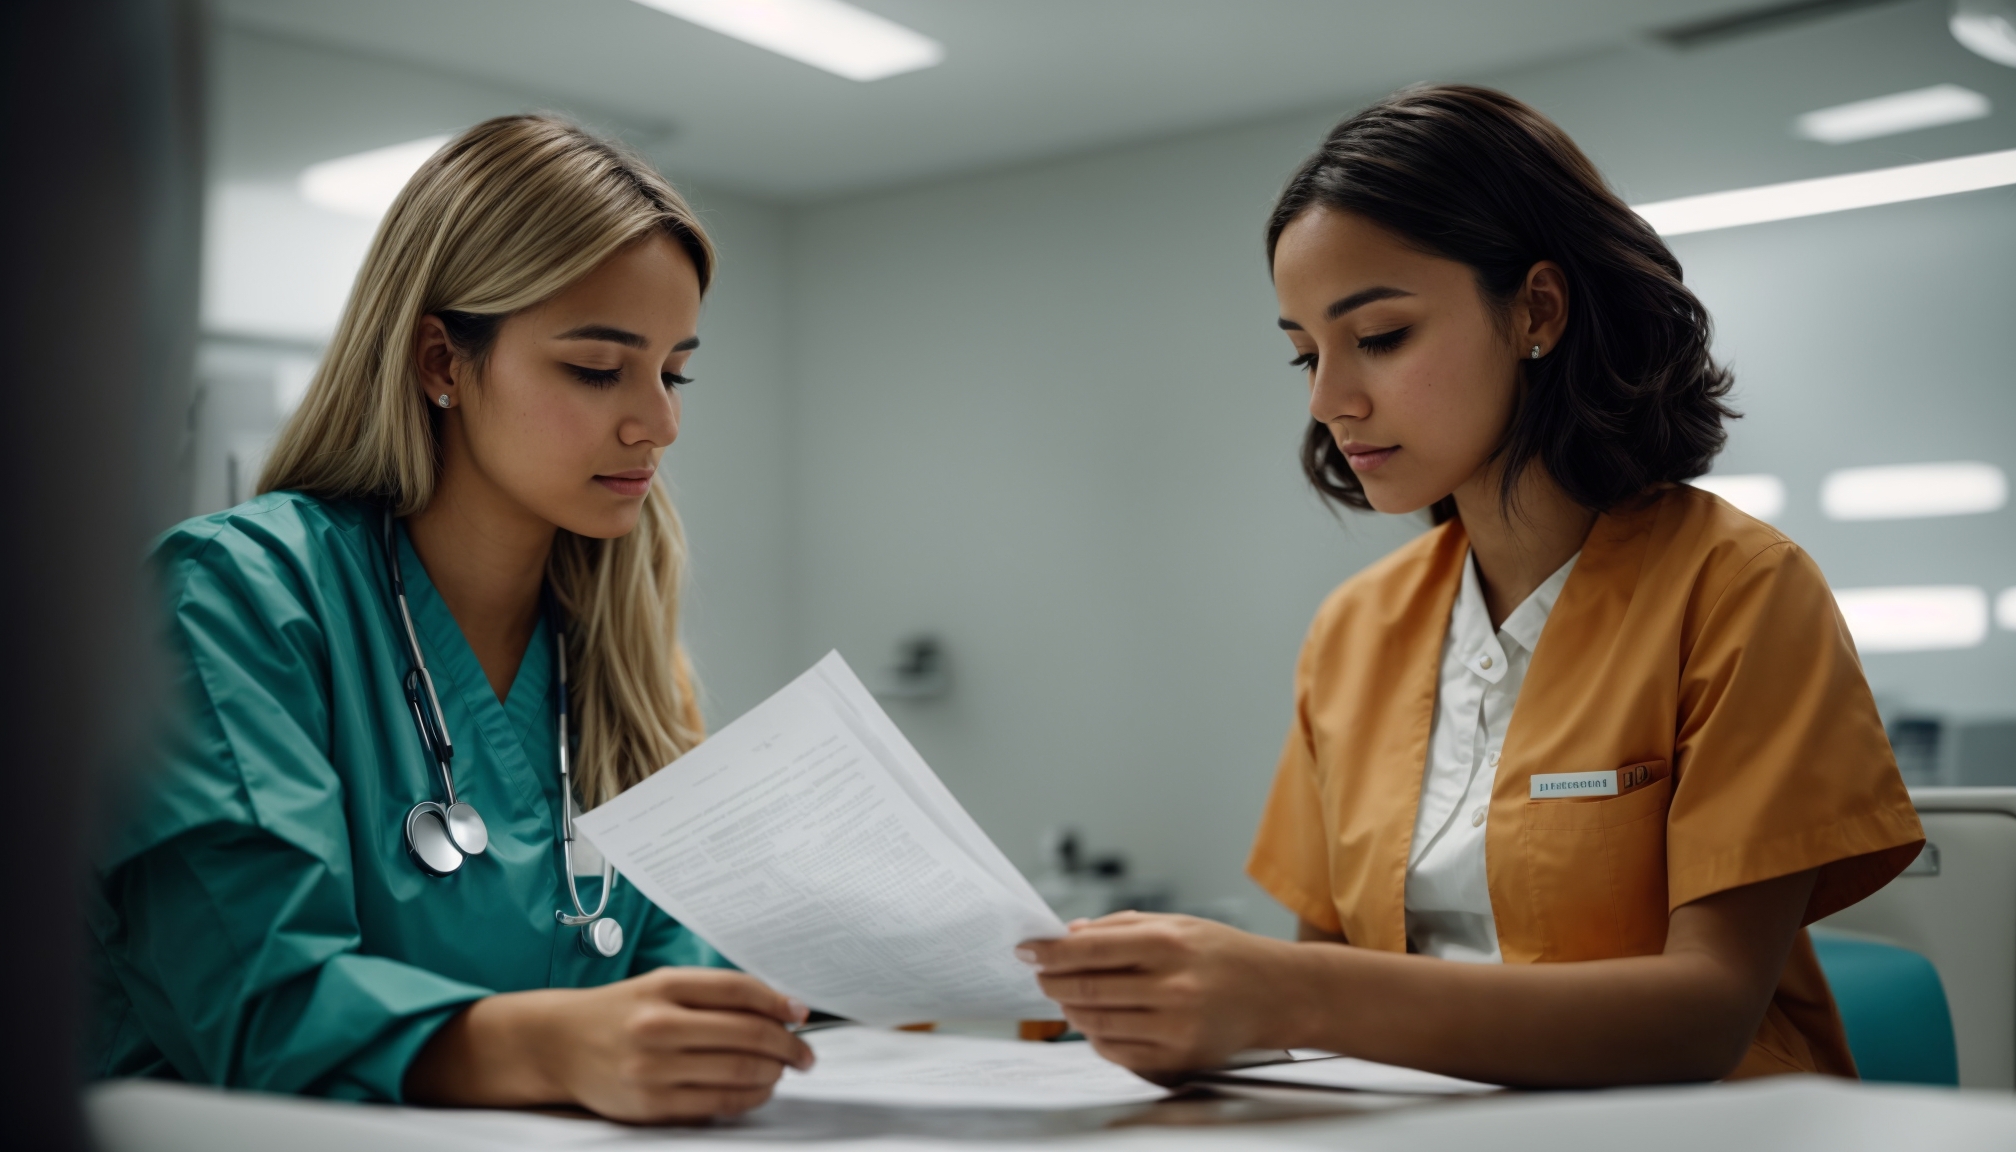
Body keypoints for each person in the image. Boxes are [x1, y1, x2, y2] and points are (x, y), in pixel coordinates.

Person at [1020, 85, 1924, 1086]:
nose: (1328, 400)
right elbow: (1320, 974)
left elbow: (1704, 1015)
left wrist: (1282, 992)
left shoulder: (1741, 591)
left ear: (1537, 309)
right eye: (1304, 355)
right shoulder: (1355, 629)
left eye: (1381, 336)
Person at [89, 115, 814, 1122]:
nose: (660, 420)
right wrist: (561, 1048)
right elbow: (256, 1000)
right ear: (441, 362)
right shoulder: (232, 598)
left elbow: (671, 960)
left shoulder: (614, 640)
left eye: (674, 370)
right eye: (599, 369)